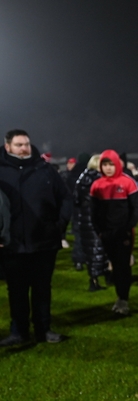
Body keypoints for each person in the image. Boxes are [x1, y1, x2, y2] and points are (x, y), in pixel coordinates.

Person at [0, 129, 71, 345]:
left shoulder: (45, 169)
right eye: (19, 144)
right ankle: (18, 331)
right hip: (12, 243)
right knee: (17, 290)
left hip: (44, 242)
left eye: (26, 144)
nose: (24, 148)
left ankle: (44, 329)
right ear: (7, 146)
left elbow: (65, 199)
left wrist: (58, 227)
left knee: (42, 289)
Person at [90, 150, 138, 314]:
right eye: (105, 165)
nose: (108, 168)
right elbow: (93, 211)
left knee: (123, 266)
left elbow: (136, 209)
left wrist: (127, 228)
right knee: (114, 266)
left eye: (111, 164)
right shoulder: (96, 185)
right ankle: (120, 297)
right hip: (106, 234)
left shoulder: (128, 182)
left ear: (117, 164)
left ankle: (123, 300)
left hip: (123, 233)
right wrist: (99, 231)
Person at [75, 154, 108, 291]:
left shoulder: (82, 179)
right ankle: (101, 277)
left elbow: (76, 199)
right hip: (96, 218)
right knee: (98, 248)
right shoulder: (99, 179)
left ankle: (94, 278)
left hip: (84, 218)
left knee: (90, 249)